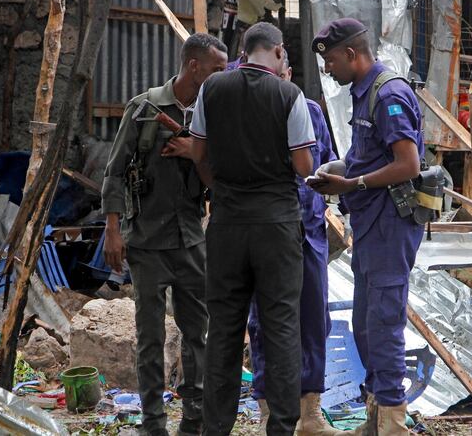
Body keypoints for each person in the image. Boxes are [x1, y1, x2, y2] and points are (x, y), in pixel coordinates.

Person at [189, 22, 316, 435]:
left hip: (225, 224)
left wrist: (220, 186)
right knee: (281, 326)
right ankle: (281, 427)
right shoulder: (289, 95)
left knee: (224, 327)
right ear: (278, 53)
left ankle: (216, 428)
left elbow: (198, 152)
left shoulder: (212, 89)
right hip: (276, 226)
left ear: (244, 52)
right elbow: (304, 166)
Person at [101, 33, 228, 436]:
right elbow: (115, 173)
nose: (222, 76)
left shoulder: (214, 114)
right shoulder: (144, 109)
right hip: (147, 244)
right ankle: (153, 422)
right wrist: (113, 230)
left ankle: (194, 419)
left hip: (191, 240)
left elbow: (221, 176)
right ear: (194, 66)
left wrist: (198, 150)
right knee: (150, 338)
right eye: (217, 69)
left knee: (197, 335)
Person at [309, 18, 425, 434]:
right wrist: (337, 170)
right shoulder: (363, 93)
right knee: (365, 324)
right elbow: (371, 158)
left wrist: (352, 182)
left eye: (332, 61)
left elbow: (407, 164)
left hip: (392, 227)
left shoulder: (388, 93)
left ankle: (393, 423)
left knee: (384, 323)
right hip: (371, 227)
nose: (328, 70)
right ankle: (376, 418)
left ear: (353, 55)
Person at [247, 51, 338, 436]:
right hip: (265, 231)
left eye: (282, 74)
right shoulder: (247, 115)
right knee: (263, 320)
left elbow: (329, 162)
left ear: (288, 73)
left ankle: (311, 414)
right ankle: (268, 410)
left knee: (314, 319)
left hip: (310, 232)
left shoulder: (312, 112)